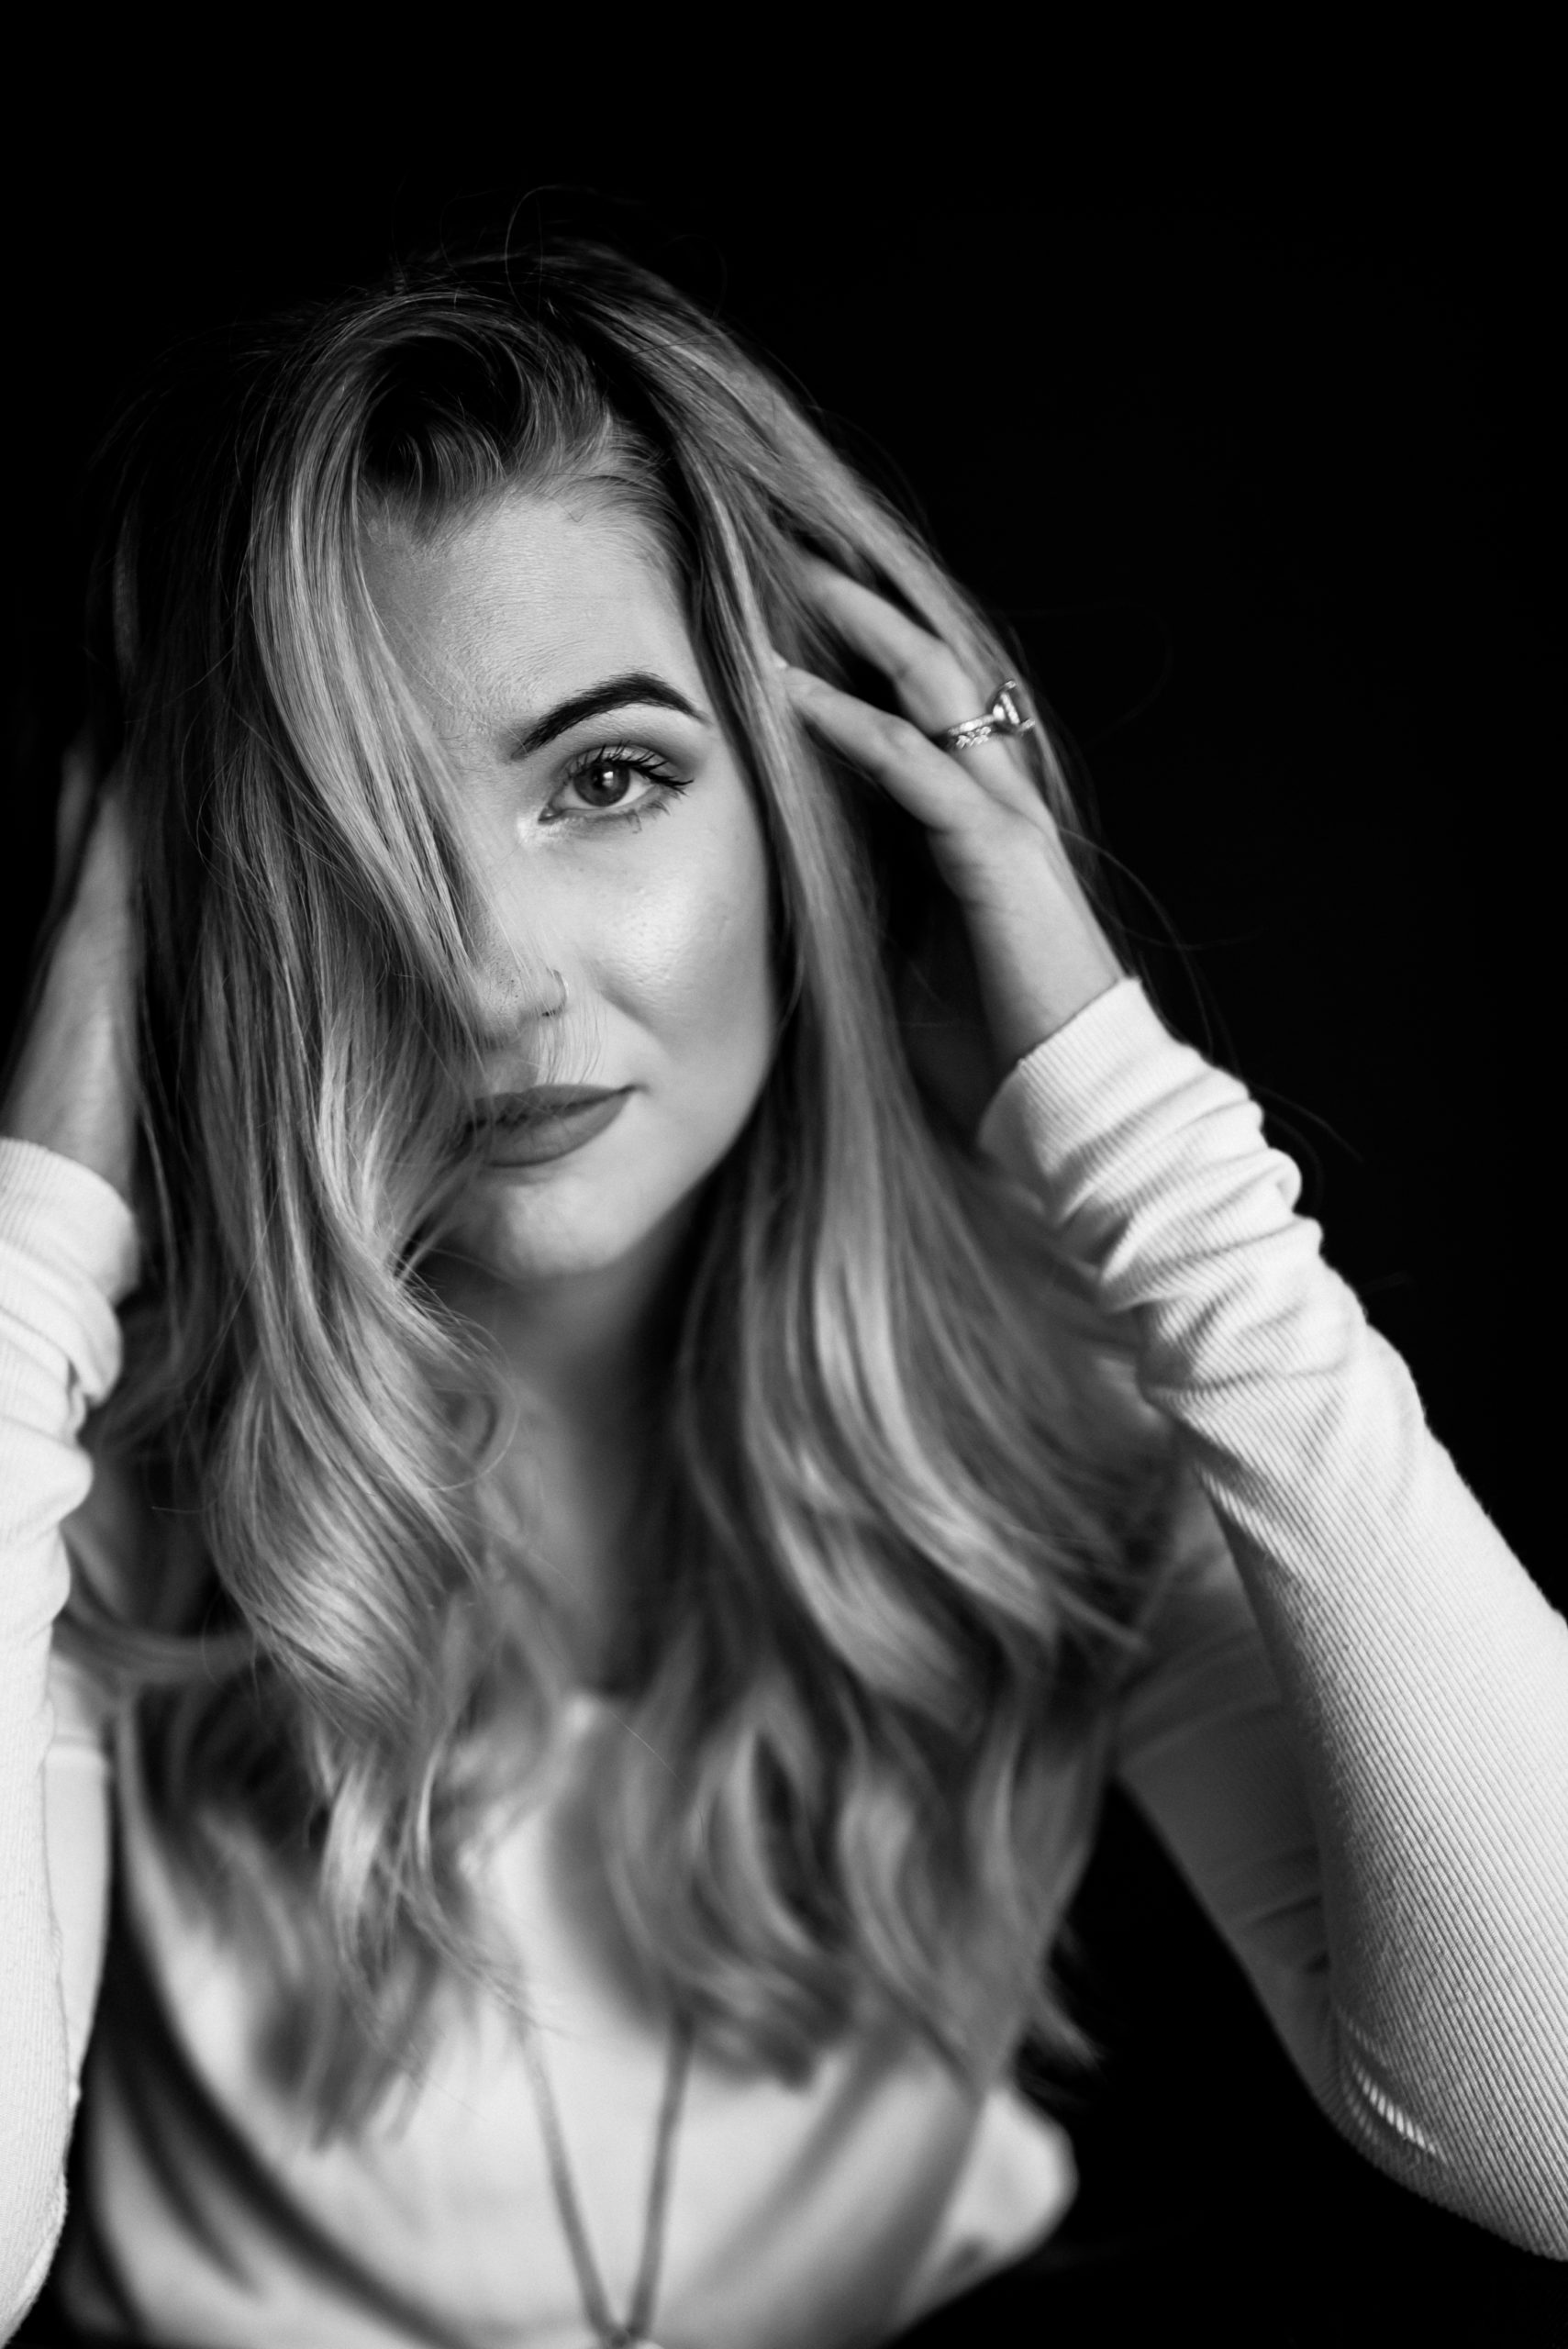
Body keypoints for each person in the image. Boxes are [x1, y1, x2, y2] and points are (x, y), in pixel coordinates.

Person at [1, 237, 1563, 2349]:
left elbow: (1545, 2119)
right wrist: (38, 1230)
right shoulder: (75, 1487)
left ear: (822, 814)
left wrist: (1140, 1139)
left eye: (609, 778)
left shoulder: (1056, 1429)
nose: (485, 975)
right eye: (349, 828)